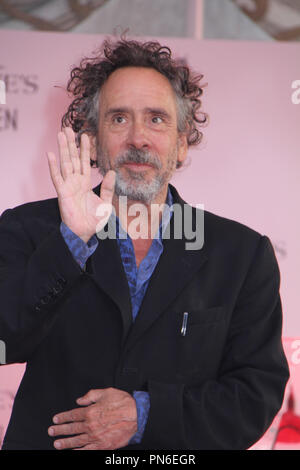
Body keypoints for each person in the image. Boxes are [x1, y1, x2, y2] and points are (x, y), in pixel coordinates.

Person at [0, 36, 289, 450]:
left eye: (156, 119)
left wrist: (144, 415)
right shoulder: (29, 228)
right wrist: (70, 243)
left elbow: (253, 398)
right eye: (119, 119)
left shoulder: (241, 255)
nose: (138, 137)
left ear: (182, 142)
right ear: (92, 137)